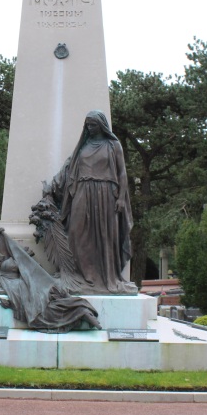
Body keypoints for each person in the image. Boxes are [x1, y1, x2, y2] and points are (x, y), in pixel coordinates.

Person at [51, 110, 136, 295]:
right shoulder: (83, 146)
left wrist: (121, 197)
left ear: (102, 125)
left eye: (93, 125)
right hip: (82, 190)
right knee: (75, 231)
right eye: (87, 125)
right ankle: (81, 274)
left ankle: (102, 277)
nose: (89, 128)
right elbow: (71, 166)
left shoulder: (113, 145)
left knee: (104, 235)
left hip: (105, 193)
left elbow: (122, 173)